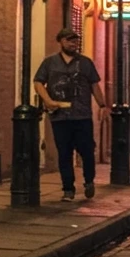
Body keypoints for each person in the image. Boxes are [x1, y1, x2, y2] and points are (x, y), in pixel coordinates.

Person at [33, 27, 107, 201]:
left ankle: (89, 181)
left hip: (82, 115)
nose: (73, 43)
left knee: (87, 150)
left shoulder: (85, 63)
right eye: (69, 40)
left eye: (75, 40)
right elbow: (38, 82)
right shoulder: (50, 63)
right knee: (64, 153)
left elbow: (94, 85)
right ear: (60, 42)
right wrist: (48, 100)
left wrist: (102, 105)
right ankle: (68, 189)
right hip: (60, 115)